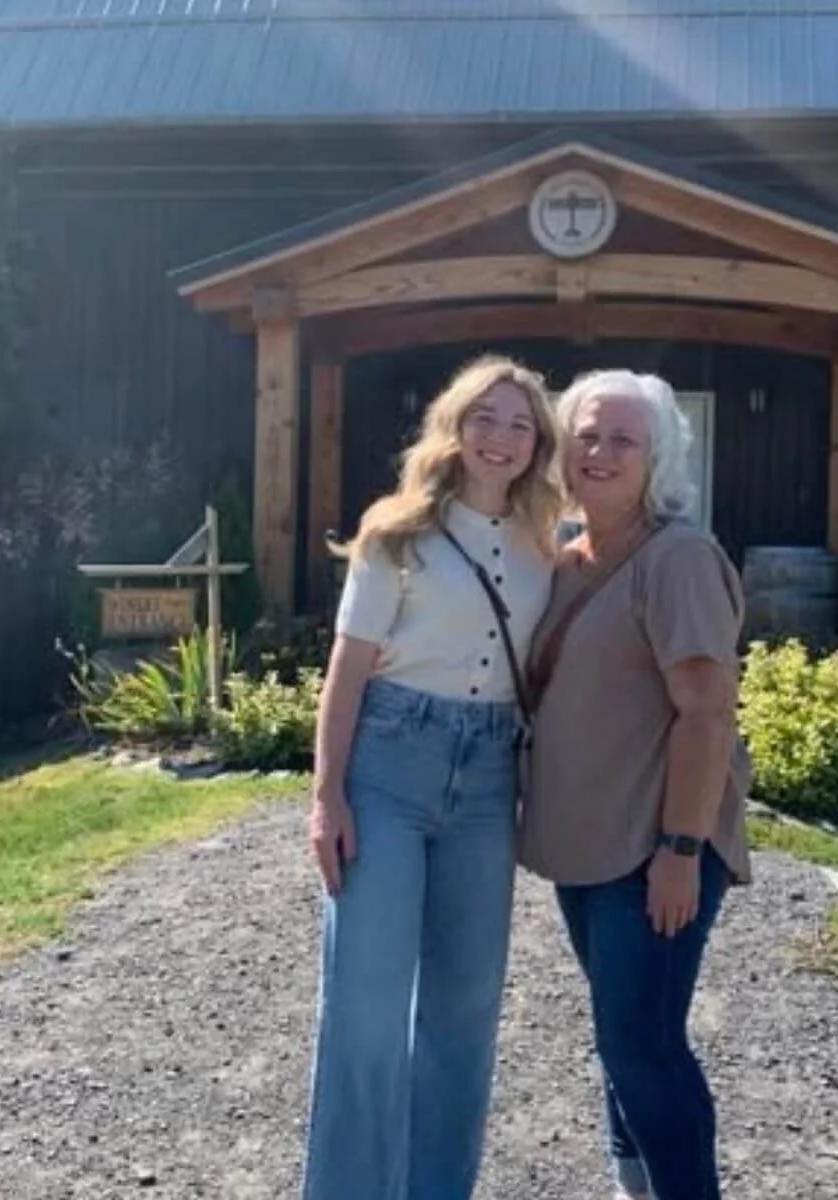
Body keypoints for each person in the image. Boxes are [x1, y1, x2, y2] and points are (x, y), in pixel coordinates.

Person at [302, 354, 561, 1200]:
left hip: (487, 779)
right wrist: (326, 798)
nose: (501, 438)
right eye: (486, 418)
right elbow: (347, 672)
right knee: (366, 1009)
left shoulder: (546, 546)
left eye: (520, 425)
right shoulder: (397, 532)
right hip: (389, 764)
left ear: (537, 446)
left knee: (464, 1009)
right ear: (454, 426)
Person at [520, 368, 752, 1200]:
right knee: (621, 1037)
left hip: (653, 850)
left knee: (644, 1046)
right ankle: (635, 1185)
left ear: (659, 459)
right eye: (586, 434)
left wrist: (681, 850)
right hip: (589, 847)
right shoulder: (568, 559)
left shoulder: (677, 558)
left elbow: (707, 713)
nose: (600, 451)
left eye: (624, 439)